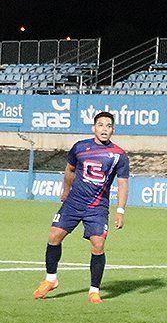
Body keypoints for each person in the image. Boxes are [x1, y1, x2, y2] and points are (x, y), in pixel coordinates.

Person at [33, 112, 129, 304]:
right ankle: (51, 279)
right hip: (74, 202)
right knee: (54, 236)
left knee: (98, 244)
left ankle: (94, 290)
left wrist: (120, 211)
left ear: (113, 130)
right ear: (94, 128)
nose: (104, 129)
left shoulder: (119, 155)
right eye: (100, 125)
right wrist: (66, 191)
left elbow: (123, 183)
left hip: (97, 207)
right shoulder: (80, 147)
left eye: (108, 126)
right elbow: (69, 170)